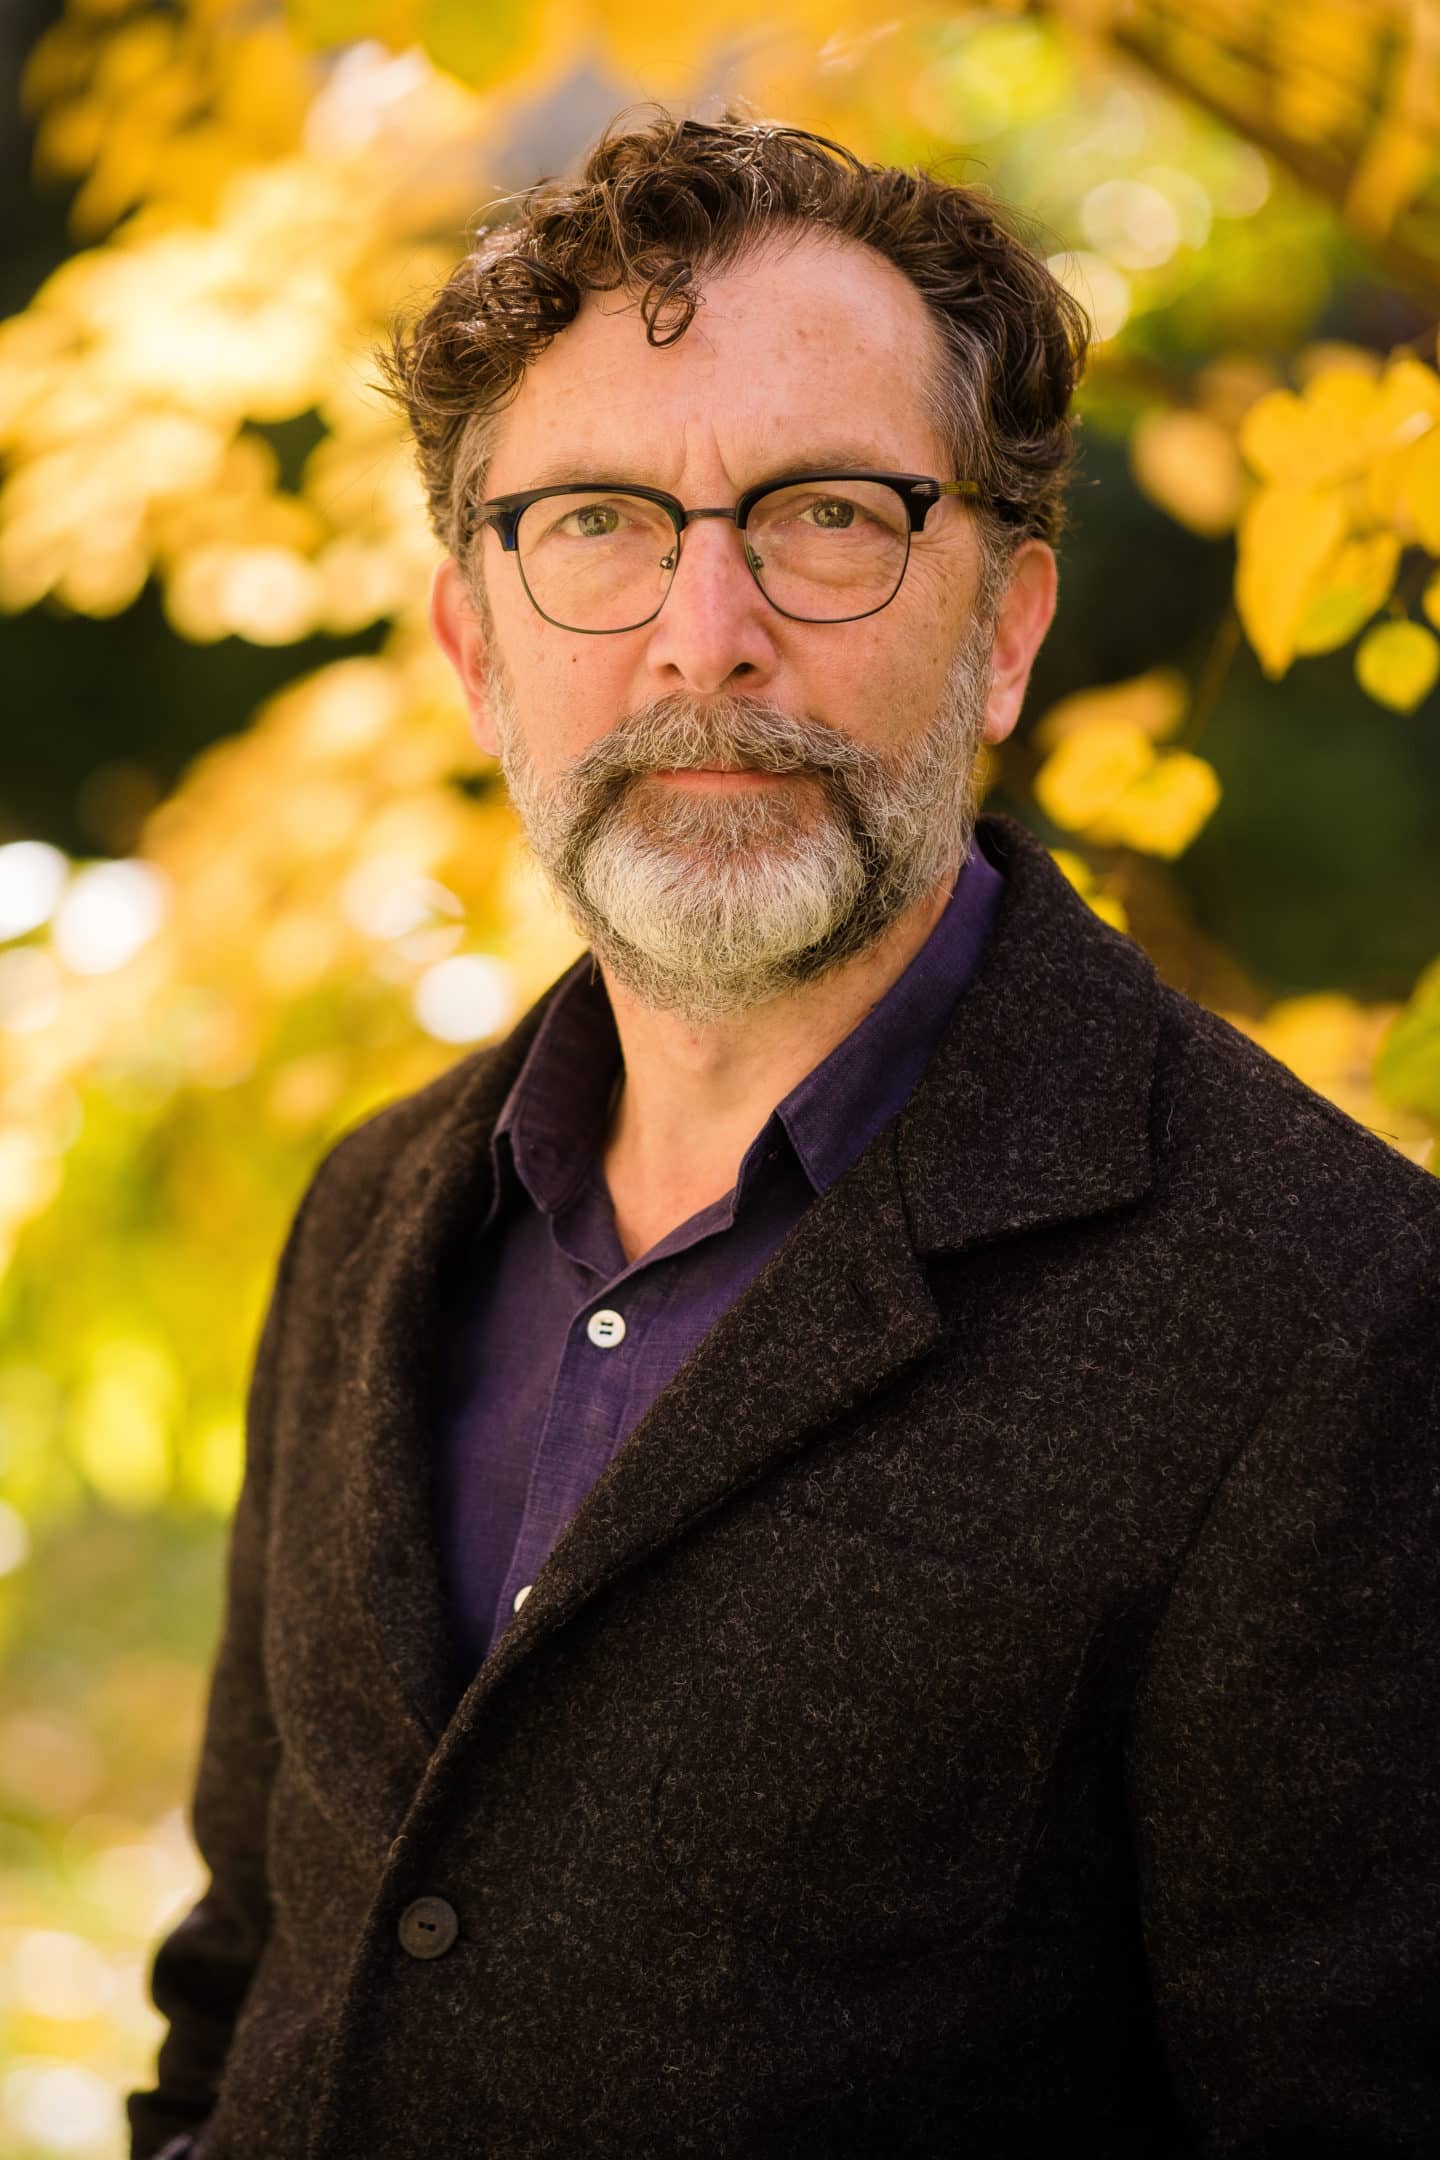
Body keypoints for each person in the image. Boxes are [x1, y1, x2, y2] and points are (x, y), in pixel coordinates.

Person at [129, 111, 1440, 2160]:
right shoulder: (377, 1208)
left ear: (1004, 630)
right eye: (598, 523)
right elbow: (244, 1980)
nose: (704, 634)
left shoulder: (1327, 1311)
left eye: (827, 516)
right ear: (477, 648)